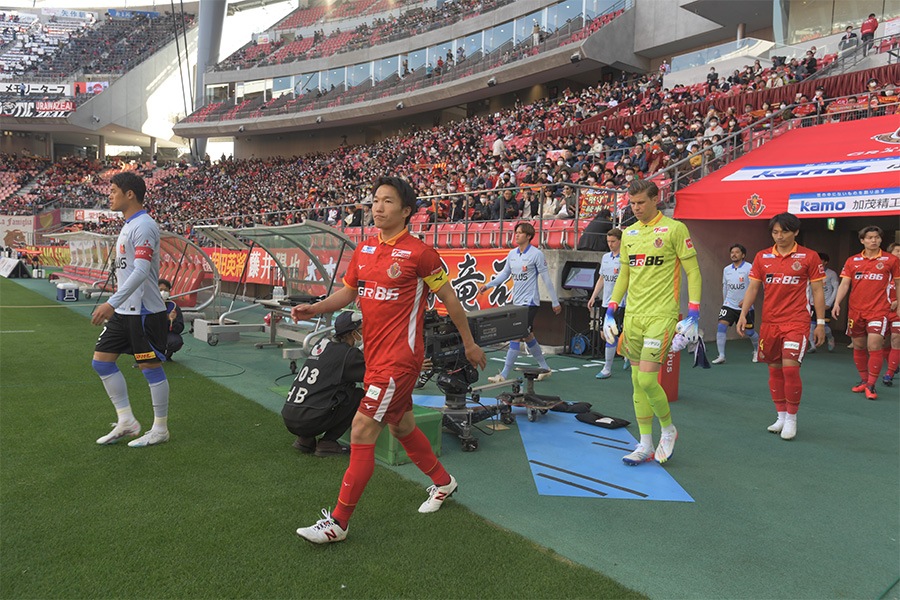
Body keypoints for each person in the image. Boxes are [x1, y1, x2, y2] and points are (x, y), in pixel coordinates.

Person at [291, 176, 486, 544]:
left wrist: (469, 343)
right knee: (401, 427)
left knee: (362, 429)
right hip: (375, 357)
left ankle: (338, 523)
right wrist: (314, 307)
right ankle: (443, 483)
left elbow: (450, 299)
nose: (378, 207)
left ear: (407, 211)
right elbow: (348, 293)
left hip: (400, 360)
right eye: (375, 201)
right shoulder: (364, 250)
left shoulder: (420, 254)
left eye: (388, 202)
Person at [602, 180, 702, 465]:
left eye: (641, 203)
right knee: (636, 381)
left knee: (647, 378)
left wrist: (693, 313)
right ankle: (645, 443)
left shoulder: (675, 229)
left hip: (662, 315)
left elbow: (693, 272)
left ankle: (668, 429)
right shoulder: (630, 233)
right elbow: (624, 275)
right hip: (633, 316)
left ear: (656, 199)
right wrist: (611, 309)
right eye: (632, 203)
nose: (636, 208)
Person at [90, 172, 171, 447]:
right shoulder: (128, 225)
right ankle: (126, 421)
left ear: (130, 194)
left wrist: (110, 302)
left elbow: (141, 272)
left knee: (150, 368)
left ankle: (160, 428)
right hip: (124, 311)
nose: (109, 195)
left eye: (113, 190)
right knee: (101, 362)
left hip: (145, 312)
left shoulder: (144, 225)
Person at [738, 213, 826, 440]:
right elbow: (753, 288)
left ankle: (792, 419)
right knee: (774, 369)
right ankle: (781, 416)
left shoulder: (810, 257)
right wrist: (743, 314)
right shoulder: (762, 257)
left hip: (797, 320)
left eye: (785, 232)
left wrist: (821, 323)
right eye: (775, 232)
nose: (779, 236)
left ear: (796, 232)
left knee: (790, 368)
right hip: (769, 322)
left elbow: (817, 291)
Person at [479, 221, 561, 383]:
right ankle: (545, 368)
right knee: (527, 336)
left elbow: (546, 279)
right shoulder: (512, 254)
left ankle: (503, 375)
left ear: (529, 236)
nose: (516, 234)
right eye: (515, 232)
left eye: (520, 232)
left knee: (515, 336)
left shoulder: (537, 255)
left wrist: (555, 301)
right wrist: (488, 285)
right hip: (517, 302)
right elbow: (504, 275)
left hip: (530, 303)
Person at [282, 311, 365, 457]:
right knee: (358, 395)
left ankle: (305, 439)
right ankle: (328, 442)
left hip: (289, 415)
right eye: (362, 330)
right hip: (310, 419)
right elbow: (373, 374)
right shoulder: (349, 355)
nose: (365, 333)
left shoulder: (322, 343)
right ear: (353, 333)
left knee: (332, 388)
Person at [832, 226, 900, 400]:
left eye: (877, 237)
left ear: (881, 240)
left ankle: (871, 384)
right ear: (862, 240)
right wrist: (837, 303)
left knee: (874, 345)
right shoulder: (852, 261)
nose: (874, 240)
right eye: (869, 238)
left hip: (879, 311)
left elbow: (898, 284)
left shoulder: (890, 260)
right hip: (856, 311)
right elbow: (845, 284)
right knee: (859, 345)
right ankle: (863, 380)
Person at [587, 228, 626, 379]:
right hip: (606, 303)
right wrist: (593, 296)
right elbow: (602, 278)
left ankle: (607, 368)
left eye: (613, 241)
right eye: (608, 241)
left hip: (621, 303)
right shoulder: (605, 258)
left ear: (620, 241)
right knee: (604, 334)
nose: (610, 244)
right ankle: (625, 353)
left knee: (612, 334)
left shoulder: (626, 259)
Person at [712, 244, 759, 364]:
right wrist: (725, 303)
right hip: (729, 304)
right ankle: (721, 355)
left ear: (743, 255)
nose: (734, 254)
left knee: (750, 332)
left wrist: (747, 301)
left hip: (745, 306)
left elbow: (754, 286)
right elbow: (725, 287)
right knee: (721, 326)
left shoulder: (750, 268)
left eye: (737, 252)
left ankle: (757, 350)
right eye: (732, 252)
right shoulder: (726, 269)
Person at [806, 253, 838, 353]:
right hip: (812, 303)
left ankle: (830, 338)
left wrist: (830, 303)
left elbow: (836, 288)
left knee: (825, 327)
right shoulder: (810, 272)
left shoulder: (831, 274)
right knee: (811, 326)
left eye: (820, 260)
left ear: (825, 262)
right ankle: (812, 346)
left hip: (826, 304)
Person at [883, 242, 900, 386]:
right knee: (882, 341)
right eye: (897, 251)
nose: (899, 254)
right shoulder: (883, 269)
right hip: (881, 310)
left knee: (896, 339)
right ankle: (893, 365)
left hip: (898, 312)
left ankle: (889, 373)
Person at [158, 278, 184, 360]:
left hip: (167, 334)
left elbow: (179, 328)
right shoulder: (149, 304)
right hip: (152, 334)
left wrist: (173, 320)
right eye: (160, 290)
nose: (163, 292)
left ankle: (167, 355)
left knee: (176, 341)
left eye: (166, 290)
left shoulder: (174, 307)